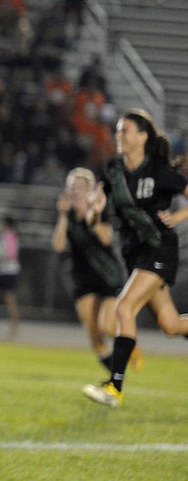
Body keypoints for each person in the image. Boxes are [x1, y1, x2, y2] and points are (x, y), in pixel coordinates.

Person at [83, 109, 188, 408]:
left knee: (124, 306)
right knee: (170, 325)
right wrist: (94, 207)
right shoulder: (113, 170)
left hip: (158, 251)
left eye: (125, 130)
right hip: (134, 255)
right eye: (118, 130)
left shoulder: (158, 170)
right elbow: (97, 224)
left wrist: (177, 216)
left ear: (143, 137)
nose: (119, 135)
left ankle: (114, 388)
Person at [52, 167, 142, 372]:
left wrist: (92, 213)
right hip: (82, 278)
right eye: (72, 186)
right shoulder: (68, 214)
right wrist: (63, 216)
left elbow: (106, 238)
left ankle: (131, 345)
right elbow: (58, 246)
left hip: (107, 276)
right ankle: (114, 375)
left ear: (89, 189)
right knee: (93, 334)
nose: (75, 190)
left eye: (80, 187)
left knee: (108, 327)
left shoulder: (101, 209)